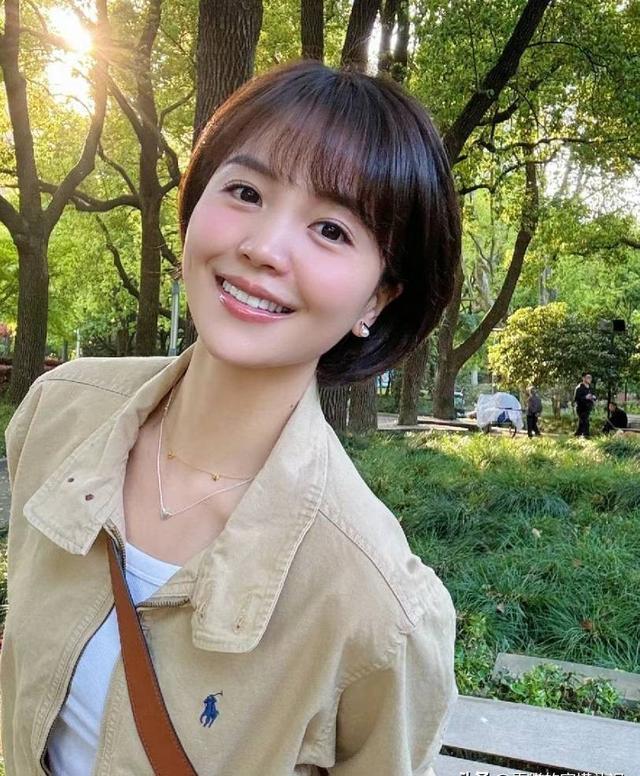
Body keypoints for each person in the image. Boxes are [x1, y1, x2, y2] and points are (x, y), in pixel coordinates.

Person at [1, 60, 461, 775]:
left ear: (377, 299)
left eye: (331, 230)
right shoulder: (59, 413)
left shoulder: (379, 610)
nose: (263, 248)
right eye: (246, 191)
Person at [573, 372, 596, 437]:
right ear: (583, 378)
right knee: (585, 422)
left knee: (582, 423)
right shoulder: (579, 387)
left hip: (588, 408)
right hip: (581, 408)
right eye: (588, 377)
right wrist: (585, 397)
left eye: (590, 378)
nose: (590, 379)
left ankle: (577, 434)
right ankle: (586, 436)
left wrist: (593, 397)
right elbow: (576, 399)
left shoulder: (590, 387)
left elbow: (594, 396)